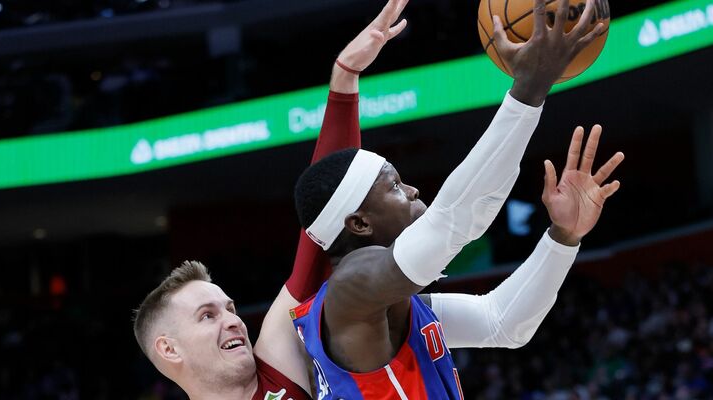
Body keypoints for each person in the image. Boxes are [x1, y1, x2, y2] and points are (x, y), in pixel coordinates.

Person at [290, 0, 624, 398]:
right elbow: (452, 222)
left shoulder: (394, 302)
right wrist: (530, 88)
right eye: (395, 187)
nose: (413, 191)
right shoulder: (350, 289)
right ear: (360, 223)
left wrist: (562, 237)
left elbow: (503, 324)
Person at [129, 1, 402, 398]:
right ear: (169, 349)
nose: (233, 321)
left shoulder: (275, 366)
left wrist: (344, 80)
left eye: (229, 308)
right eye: (208, 316)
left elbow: (323, 215)